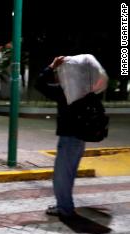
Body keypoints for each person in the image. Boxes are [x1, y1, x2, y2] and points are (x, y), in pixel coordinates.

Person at [35, 56, 85, 218]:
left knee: (61, 177)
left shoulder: (65, 89)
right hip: (79, 138)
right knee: (67, 175)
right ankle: (64, 204)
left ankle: (65, 208)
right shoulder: (83, 88)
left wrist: (51, 66)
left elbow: (39, 84)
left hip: (69, 138)